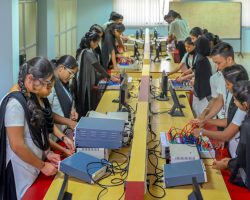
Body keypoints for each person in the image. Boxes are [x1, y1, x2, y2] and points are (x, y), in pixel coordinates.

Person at [0, 57, 59, 199]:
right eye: (46, 83)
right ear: (31, 78)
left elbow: (33, 136)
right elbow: (17, 145)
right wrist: (42, 166)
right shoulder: (14, 103)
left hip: (33, 166)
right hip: (19, 171)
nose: (47, 89)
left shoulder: (30, 96)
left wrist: (46, 154)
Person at [192, 65, 248, 158]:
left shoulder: (242, 106)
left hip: (241, 154)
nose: (226, 87)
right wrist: (205, 120)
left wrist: (202, 132)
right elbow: (229, 121)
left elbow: (226, 135)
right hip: (234, 148)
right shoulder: (238, 99)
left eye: (228, 84)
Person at [210, 80, 250, 190]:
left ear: (245, 104)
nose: (235, 103)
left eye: (236, 100)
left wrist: (228, 164)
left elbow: (243, 157)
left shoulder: (247, 125)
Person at [76, 31, 119, 118]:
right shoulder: (87, 52)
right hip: (85, 82)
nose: (97, 44)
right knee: (86, 102)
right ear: (91, 42)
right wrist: (109, 77)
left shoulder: (86, 50)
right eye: (96, 42)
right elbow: (97, 66)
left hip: (87, 79)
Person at [192, 42, 236, 124]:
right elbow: (219, 100)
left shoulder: (239, 77)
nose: (217, 67)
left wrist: (206, 120)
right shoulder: (222, 75)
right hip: (221, 119)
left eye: (218, 63)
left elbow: (233, 123)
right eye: (215, 63)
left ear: (229, 60)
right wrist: (204, 116)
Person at [48, 55, 78, 133]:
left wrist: (72, 110)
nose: (71, 76)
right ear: (61, 68)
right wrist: (68, 122)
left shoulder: (63, 82)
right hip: (55, 133)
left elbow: (68, 98)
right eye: (71, 73)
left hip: (64, 130)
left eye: (73, 74)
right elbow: (47, 112)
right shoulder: (50, 84)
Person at [191, 36, 212, 117]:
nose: (195, 47)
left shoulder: (202, 60)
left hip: (203, 95)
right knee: (196, 114)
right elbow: (194, 70)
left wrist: (195, 82)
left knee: (200, 116)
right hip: (199, 92)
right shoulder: (200, 57)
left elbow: (203, 79)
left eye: (196, 46)